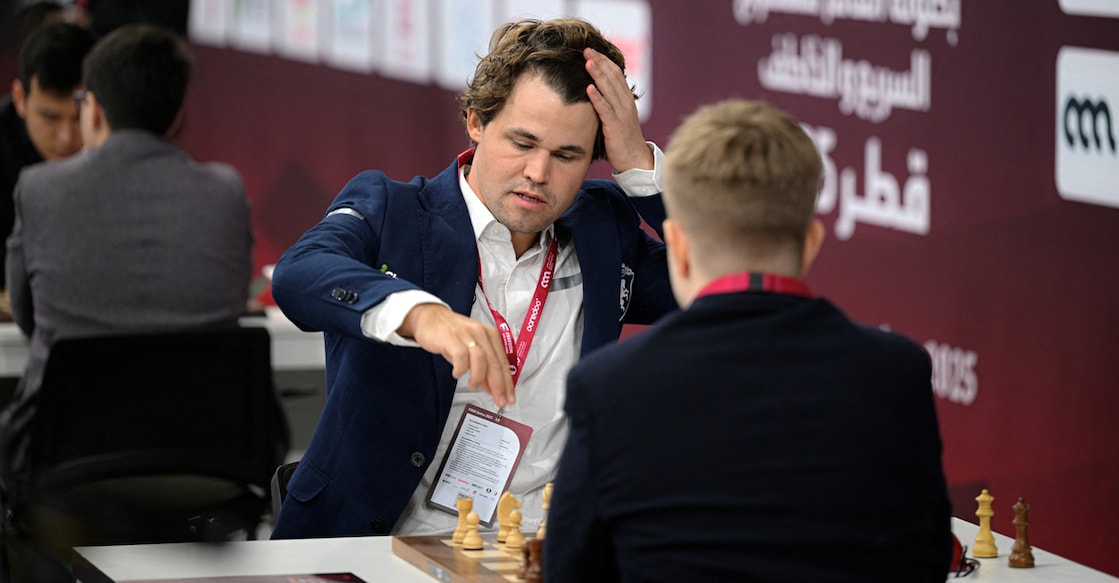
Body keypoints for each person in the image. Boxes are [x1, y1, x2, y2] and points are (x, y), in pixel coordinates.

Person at [269, 18, 676, 539]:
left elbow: (728, 279)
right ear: (476, 122)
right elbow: (300, 273)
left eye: (567, 155)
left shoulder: (604, 233)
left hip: (544, 549)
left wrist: (638, 166)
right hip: (384, 546)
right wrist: (421, 315)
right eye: (522, 142)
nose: (538, 172)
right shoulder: (391, 209)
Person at [543, 99, 953, 582]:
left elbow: (569, 570)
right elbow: (925, 558)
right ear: (812, 242)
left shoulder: (606, 385)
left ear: (676, 246)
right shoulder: (897, 371)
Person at [1, 24, 253, 581]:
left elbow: (28, 317)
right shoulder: (224, 191)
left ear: (92, 108)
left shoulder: (40, 189)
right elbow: (228, 301)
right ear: (175, 118)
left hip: (68, 467)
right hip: (207, 460)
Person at [0, 20, 96, 313]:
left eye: (77, 116)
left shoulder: (118, 141)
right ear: (19, 98)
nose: (66, 137)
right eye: (50, 118)